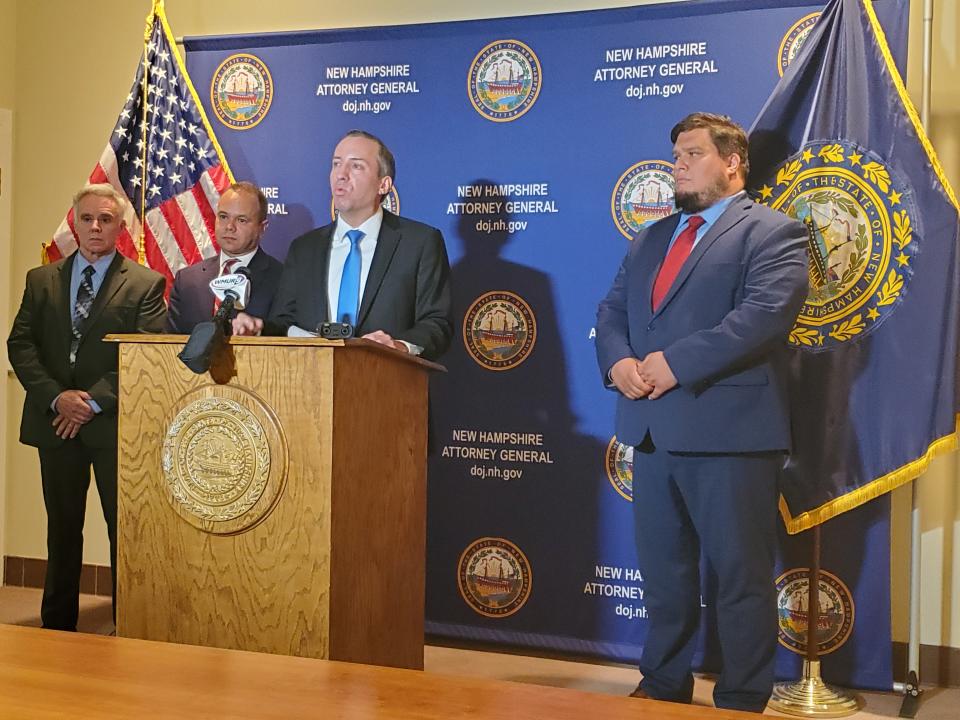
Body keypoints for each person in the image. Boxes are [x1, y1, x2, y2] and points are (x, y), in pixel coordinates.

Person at [595, 112, 809, 713]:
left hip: (732, 438)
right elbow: (612, 312)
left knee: (741, 581)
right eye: (675, 156)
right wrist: (618, 364)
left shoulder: (773, 232)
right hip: (653, 433)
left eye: (692, 154)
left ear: (733, 161)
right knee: (665, 578)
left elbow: (763, 317)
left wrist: (674, 363)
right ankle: (663, 686)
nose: (678, 165)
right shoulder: (651, 237)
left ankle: (741, 699)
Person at [7, 183, 167, 631]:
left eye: (105, 219)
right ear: (74, 223)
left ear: (119, 226)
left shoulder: (144, 283)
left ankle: (126, 625)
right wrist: (58, 397)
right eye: (87, 219)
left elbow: (146, 352)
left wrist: (92, 401)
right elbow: (21, 344)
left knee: (123, 534)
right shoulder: (41, 279)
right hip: (54, 423)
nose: (95, 226)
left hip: (112, 427)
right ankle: (56, 627)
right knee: (61, 532)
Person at [233, 130, 453, 361]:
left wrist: (398, 346)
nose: (341, 174)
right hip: (312, 386)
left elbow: (437, 323)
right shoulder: (304, 248)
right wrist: (260, 328)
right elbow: (284, 322)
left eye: (356, 166)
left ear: (383, 184)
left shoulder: (419, 243)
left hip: (389, 384)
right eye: (336, 164)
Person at [167, 181, 282, 333]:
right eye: (223, 217)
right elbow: (168, 346)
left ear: (262, 227)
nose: (229, 226)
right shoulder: (187, 280)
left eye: (241, 220)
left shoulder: (282, 279)